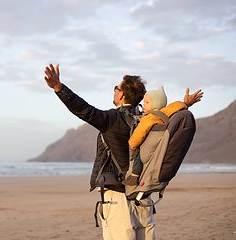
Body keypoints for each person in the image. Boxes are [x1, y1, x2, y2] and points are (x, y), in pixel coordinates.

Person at [44, 63, 203, 240]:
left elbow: (84, 110)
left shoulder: (112, 119)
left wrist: (59, 88)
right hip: (143, 196)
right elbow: (169, 115)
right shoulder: (150, 119)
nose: (114, 91)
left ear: (121, 94)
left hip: (117, 196)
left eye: (116, 88)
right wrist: (185, 104)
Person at [123, 86, 188, 186]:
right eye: (144, 102)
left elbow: (139, 133)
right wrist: (185, 104)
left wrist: (132, 143)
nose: (143, 105)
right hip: (160, 147)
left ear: (157, 104)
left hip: (148, 150)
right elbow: (175, 106)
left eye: (147, 102)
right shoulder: (165, 113)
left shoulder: (149, 118)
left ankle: (134, 176)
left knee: (137, 155)